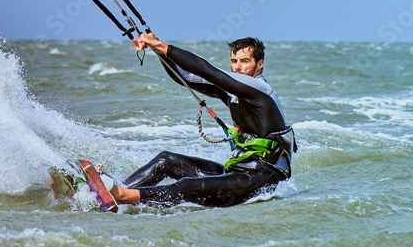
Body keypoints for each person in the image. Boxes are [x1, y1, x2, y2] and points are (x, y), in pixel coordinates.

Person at [110, 35, 295, 209]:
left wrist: (162, 46)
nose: (237, 67)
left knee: (187, 186)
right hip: (237, 173)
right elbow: (185, 78)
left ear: (259, 64)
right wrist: (156, 47)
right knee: (165, 161)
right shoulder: (235, 93)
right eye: (234, 61)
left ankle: (121, 196)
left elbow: (207, 70)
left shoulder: (260, 90)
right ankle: (110, 193)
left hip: (258, 180)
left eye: (244, 61)